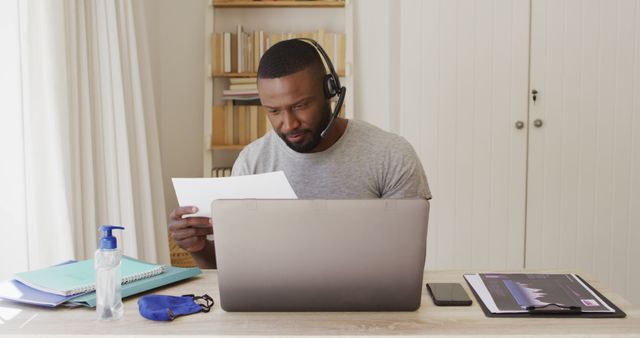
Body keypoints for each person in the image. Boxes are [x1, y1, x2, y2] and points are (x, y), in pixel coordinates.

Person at [169, 39, 431, 268]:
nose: (289, 123)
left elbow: (405, 262)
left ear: (330, 92)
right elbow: (232, 268)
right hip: (276, 312)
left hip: (364, 311)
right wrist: (199, 248)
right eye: (274, 111)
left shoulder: (391, 155)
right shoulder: (252, 162)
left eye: (300, 105)